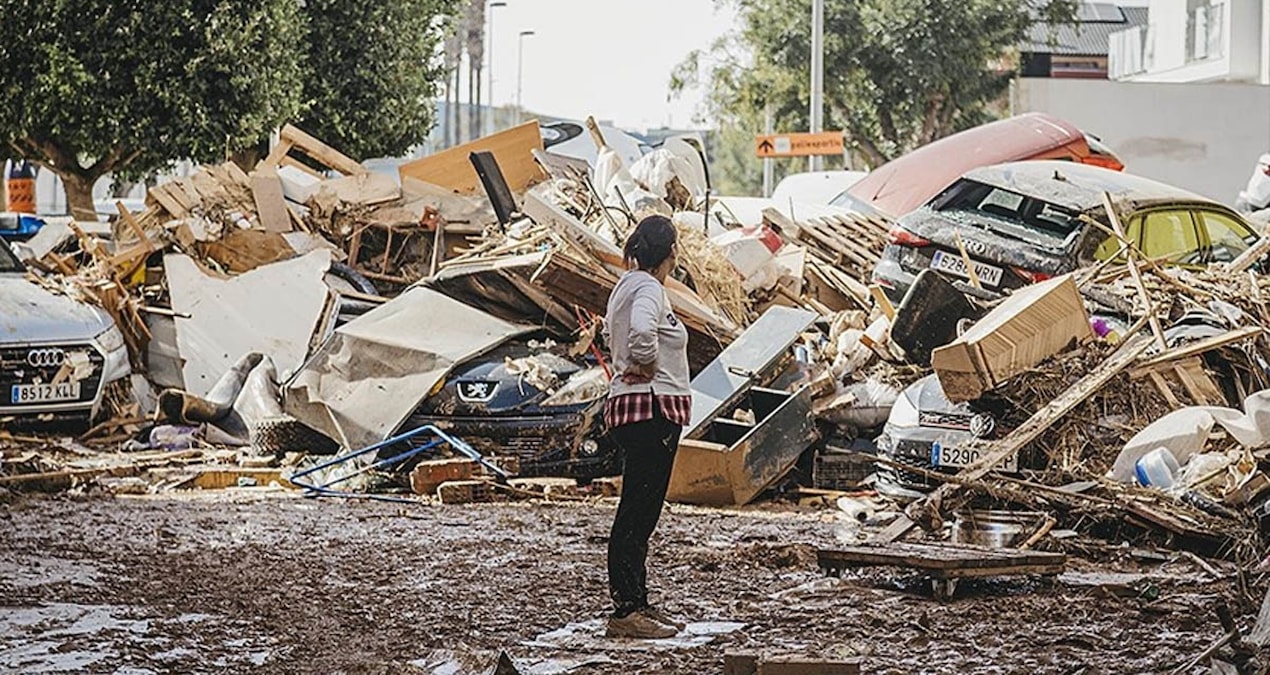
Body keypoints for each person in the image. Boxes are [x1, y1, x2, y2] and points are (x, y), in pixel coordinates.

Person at [602, 214, 692, 639]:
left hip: (637, 407)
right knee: (638, 512)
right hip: (649, 410)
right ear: (671, 253)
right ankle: (626, 610)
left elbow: (614, 335)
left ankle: (638, 603)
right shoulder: (649, 288)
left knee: (641, 511)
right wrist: (648, 362)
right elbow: (640, 334)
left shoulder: (628, 286)